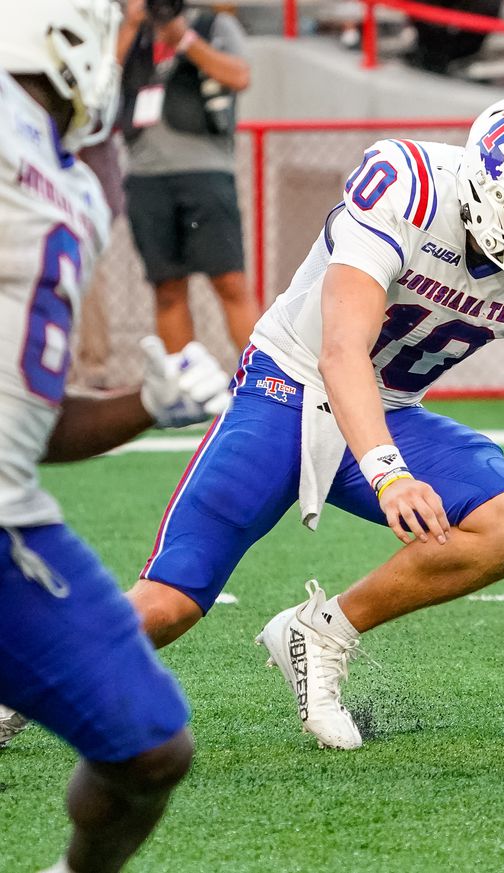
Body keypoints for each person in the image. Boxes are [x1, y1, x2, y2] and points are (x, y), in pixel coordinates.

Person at [124, 95, 504, 751]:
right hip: (289, 389)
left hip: (389, 408)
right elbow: (340, 352)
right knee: (167, 605)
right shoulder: (409, 188)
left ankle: (323, 630)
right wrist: (390, 475)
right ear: (484, 191)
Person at [0, 2, 231, 868]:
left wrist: (147, 402)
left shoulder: (69, 181)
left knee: (149, 744)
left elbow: (33, 420)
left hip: (10, 519)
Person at [117, 0, 256, 355]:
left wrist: (184, 39)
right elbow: (102, 81)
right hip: (145, 175)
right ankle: (183, 388)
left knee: (230, 283)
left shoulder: (213, 25)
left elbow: (239, 76)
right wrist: (131, 25)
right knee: (166, 288)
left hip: (206, 172)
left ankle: (264, 385)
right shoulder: (130, 34)